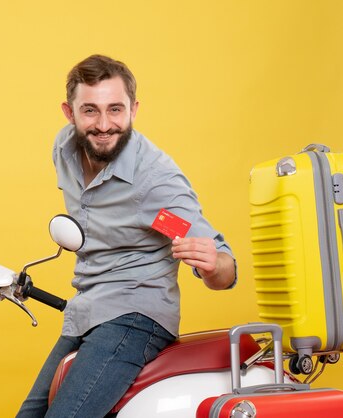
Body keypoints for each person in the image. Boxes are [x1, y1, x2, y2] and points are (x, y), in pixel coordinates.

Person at [16, 54, 236, 418]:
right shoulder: (64, 150)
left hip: (135, 316)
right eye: (90, 111)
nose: (104, 125)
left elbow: (221, 264)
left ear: (133, 109)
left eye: (115, 110)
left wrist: (213, 266)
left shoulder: (152, 184)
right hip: (86, 309)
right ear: (69, 114)